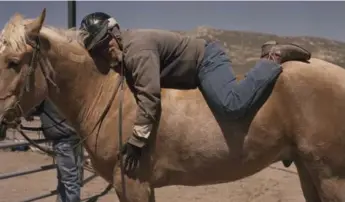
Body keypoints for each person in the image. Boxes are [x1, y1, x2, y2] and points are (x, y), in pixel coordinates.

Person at [79, 12, 311, 172]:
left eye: (104, 44)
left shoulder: (137, 50)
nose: (104, 52)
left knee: (231, 105)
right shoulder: (125, 51)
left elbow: (149, 96)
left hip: (205, 61)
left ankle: (272, 58)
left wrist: (138, 140)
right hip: (189, 74)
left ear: (115, 33)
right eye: (97, 50)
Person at [27, 100, 82, 202]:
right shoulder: (60, 94)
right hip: (73, 137)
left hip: (63, 141)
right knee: (67, 180)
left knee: (70, 181)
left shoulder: (45, 98)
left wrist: (28, 114)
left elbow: (28, 109)